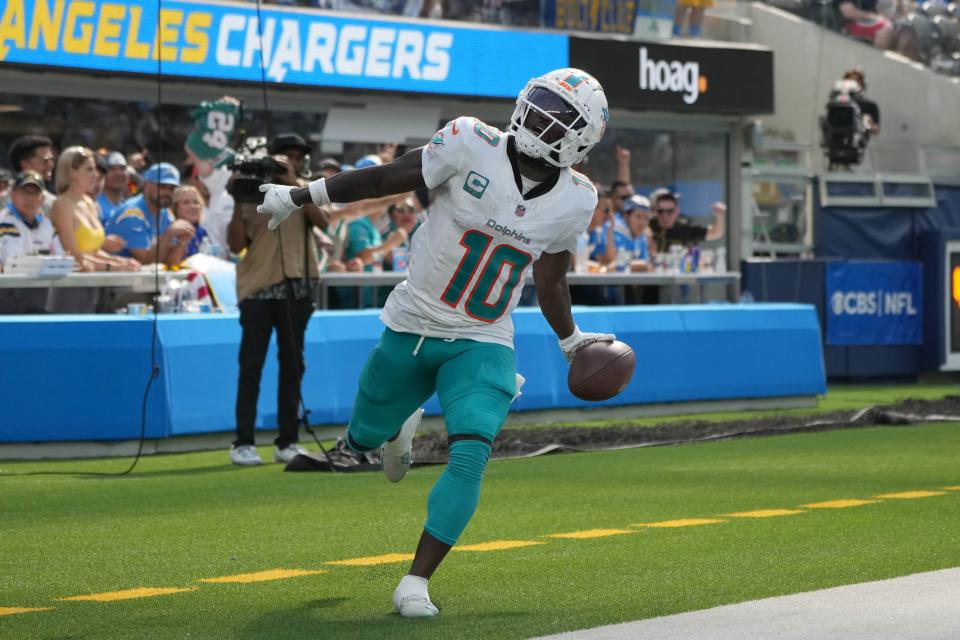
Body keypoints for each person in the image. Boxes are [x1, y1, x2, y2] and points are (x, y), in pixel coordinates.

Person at [257, 67, 614, 617]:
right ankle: (393, 429)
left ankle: (416, 580)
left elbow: (551, 276)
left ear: (582, 138)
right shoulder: (471, 139)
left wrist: (570, 341)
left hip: (483, 336)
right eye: (541, 102)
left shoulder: (577, 199)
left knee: (471, 453)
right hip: (413, 321)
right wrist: (302, 194)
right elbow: (386, 178)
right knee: (364, 432)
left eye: (560, 115)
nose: (543, 117)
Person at [225, 135, 330, 467]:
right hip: (258, 287)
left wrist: (294, 185)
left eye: (298, 158)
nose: (293, 161)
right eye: (287, 157)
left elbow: (324, 222)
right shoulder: (251, 189)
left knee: (293, 366)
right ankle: (243, 442)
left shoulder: (305, 188)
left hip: (296, 289)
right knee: (251, 366)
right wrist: (236, 200)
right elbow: (235, 243)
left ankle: (288, 440)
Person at [49, 146, 139, 273]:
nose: (95, 175)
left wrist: (120, 261)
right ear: (72, 173)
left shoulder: (90, 203)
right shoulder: (61, 205)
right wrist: (113, 267)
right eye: (89, 169)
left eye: (95, 169)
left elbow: (93, 251)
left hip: (95, 281)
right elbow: (73, 255)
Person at [106, 163, 196, 265]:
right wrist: (169, 233)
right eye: (162, 186)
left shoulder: (165, 213)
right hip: (115, 278)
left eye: (171, 188)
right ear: (147, 185)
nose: (167, 192)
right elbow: (147, 262)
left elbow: (171, 263)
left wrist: (182, 242)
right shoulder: (132, 213)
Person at [0, 171, 57, 313]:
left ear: (42, 199)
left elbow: (61, 257)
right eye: (24, 192)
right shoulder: (5, 221)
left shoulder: (46, 224)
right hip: (9, 295)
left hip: (37, 293)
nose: (29, 199)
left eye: (34, 193)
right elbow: (13, 263)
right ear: (12, 195)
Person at [648, 189, 726, 254]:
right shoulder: (647, 226)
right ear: (654, 211)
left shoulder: (684, 230)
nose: (665, 215)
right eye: (660, 211)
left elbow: (716, 233)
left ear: (677, 212)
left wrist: (719, 215)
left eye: (670, 211)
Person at [8, 135, 56, 214]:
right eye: (45, 160)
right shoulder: (5, 201)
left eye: (52, 160)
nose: (51, 165)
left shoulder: (54, 202)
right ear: (25, 165)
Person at [165, 185, 210, 265]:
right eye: (186, 202)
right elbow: (171, 264)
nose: (192, 206)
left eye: (196, 202)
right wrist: (182, 242)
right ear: (175, 207)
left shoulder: (202, 232)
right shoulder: (170, 231)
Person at [842, 68, 881, 136]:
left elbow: (876, 130)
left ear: (862, 83)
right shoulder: (839, 103)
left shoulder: (870, 105)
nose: (852, 83)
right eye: (849, 80)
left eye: (855, 80)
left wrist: (869, 125)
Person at [96, 151, 130, 223]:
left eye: (122, 168)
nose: (118, 173)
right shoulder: (95, 204)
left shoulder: (128, 206)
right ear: (102, 174)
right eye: (112, 169)